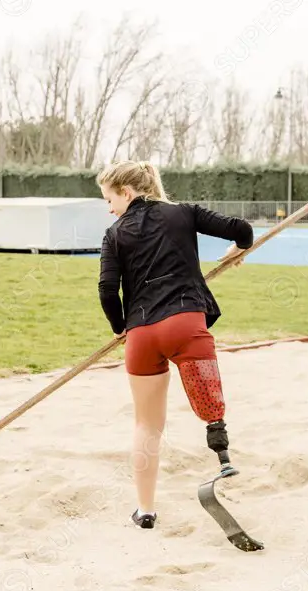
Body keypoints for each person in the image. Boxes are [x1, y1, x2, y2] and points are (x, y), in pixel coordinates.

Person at [95, 159, 254, 530]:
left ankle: (145, 510)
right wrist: (237, 251)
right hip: (185, 324)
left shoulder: (114, 233)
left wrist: (121, 327)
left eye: (109, 199)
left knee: (146, 425)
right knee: (208, 399)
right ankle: (220, 444)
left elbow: (107, 290)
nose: (109, 208)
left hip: (142, 334)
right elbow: (242, 230)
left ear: (127, 192)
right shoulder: (183, 213)